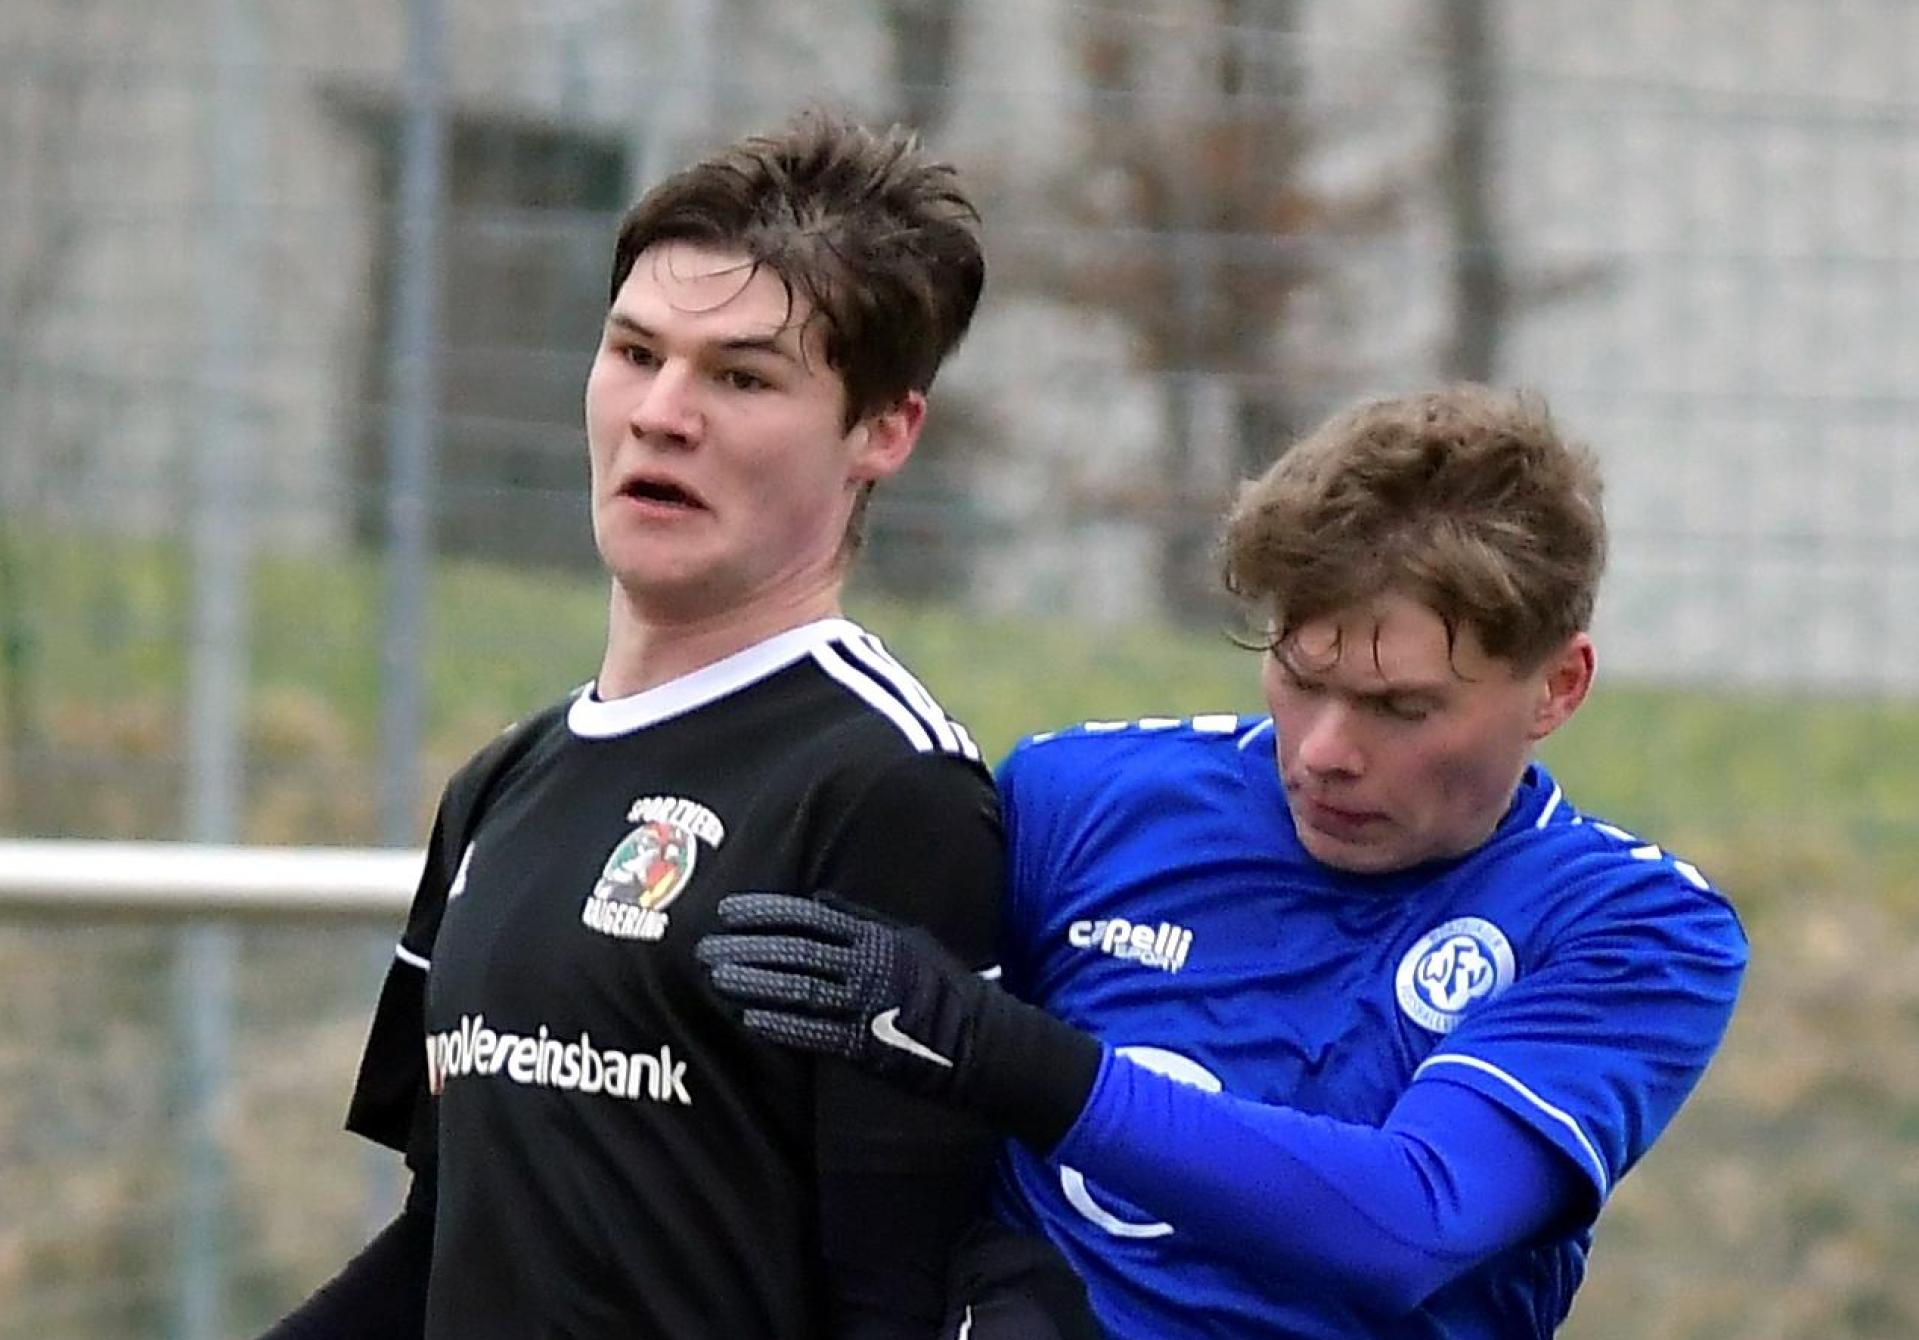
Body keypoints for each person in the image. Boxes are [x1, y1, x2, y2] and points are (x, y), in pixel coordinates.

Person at [267, 111, 1093, 1339]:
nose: (661, 411)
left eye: (742, 375)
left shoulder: (884, 789)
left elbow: (903, 1292)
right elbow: (448, 1235)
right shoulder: (503, 783)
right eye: (635, 350)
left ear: (881, 431)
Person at [698, 385, 1750, 1338]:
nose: (1324, 750)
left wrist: (1007, 1054)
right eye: (1298, 675)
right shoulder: (1083, 799)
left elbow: (1409, 1221)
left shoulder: (1629, 926)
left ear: (1555, 686)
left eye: (1399, 706)